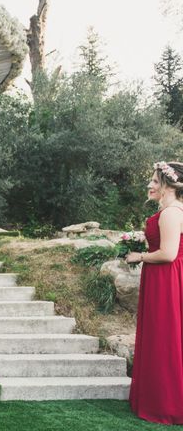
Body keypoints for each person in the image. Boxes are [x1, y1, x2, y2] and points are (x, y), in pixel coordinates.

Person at [127, 161, 183, 425]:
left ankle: (166, 403)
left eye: (154, 181)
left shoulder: (172, 212)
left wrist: (139, 255)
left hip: (166, 279)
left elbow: (169, 254)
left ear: (169, 185)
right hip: (161, 277)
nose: (149, 185)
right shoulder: (170, 211)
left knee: (165, 335)